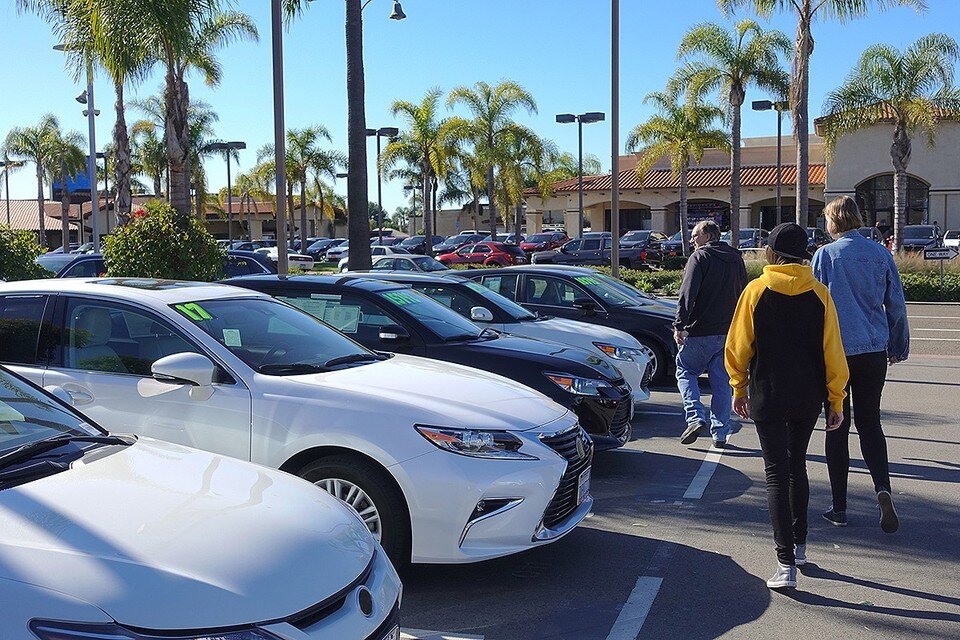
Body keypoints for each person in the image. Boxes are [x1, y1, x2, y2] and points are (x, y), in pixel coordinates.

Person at [726, 222, 848, 589]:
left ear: (771, 253)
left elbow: (738, 347)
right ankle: (802, 546)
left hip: (768, 393)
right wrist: (836, 399)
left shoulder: (756, 290)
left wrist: (738, 387)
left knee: (776, 474)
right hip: (808, 396)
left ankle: (785, 565)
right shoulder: (820, 293)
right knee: (797, 467)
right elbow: (834, 353)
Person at [812, 196, 909, 534]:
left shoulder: (825, 256)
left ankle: (839, 506)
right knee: (870, 423)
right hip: (872, 352)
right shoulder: (880, 253)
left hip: (836, 352)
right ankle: (882, 487)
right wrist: (897, 345)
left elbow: (814, 304)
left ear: (835, 221)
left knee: (837, 424)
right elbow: (895, 303)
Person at [673, 220, 747, 448]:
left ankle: (695, 417)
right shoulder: (735, 258)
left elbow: (688, 293)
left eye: (695, 235)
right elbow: (744, 292)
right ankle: (720, 434)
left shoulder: (700, 257)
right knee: (722, 383)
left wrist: (679, 325)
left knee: (685, 371)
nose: (693, 240)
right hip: (728, 332)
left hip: (700, 330)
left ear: (707, 236)